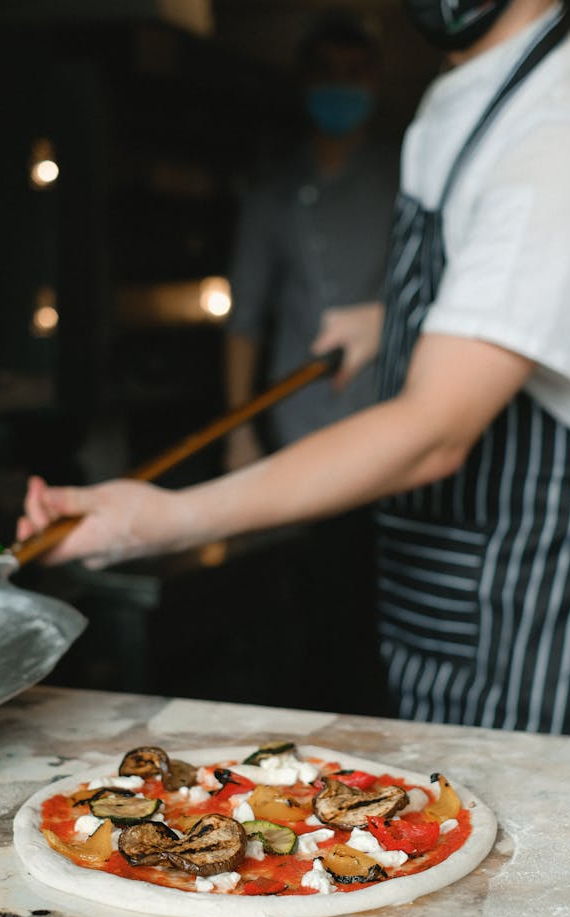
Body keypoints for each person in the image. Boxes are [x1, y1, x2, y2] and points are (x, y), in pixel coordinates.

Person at [18, 0, 570, 740]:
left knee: (523, 842)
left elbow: (433, 432)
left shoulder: (564, 143)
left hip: (540, 598)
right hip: (453, 579)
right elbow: (516, 280)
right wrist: (392, 324)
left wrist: (159, 517)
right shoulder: (475, 100)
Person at [221, 10, 400, 711]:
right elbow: (243, 315)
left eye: (354, 74)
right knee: (299, 603)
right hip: (296, 423)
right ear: (305, 81)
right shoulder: (273, 185)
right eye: (326, 73)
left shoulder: (399, 175)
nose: (339, 88)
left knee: (369, 601)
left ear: (376, 81)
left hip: (386, 421)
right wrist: (240, 428)